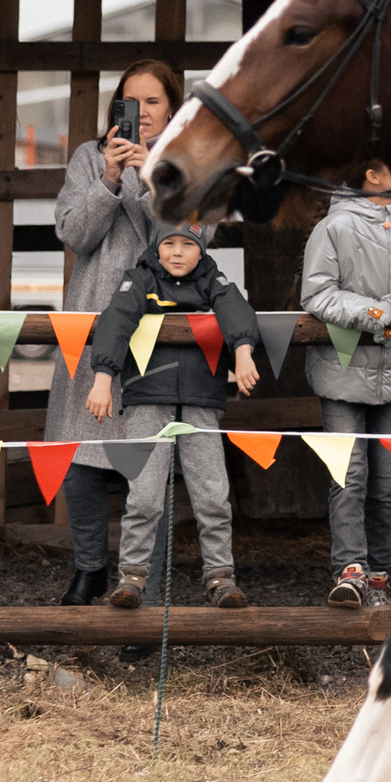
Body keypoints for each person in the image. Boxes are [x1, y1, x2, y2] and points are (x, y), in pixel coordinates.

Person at [48, 61, 183, 607]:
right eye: (133, 101)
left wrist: (152, 176)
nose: (143, 113)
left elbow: (190, 242)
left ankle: (142, 585)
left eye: (153, 102)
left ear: (173, 108)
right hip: (92, 318)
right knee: (79, 455)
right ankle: (90, 567)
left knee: (146, 465)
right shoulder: (88, 156)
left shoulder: (186, 160)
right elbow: (75, 234)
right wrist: (108, 178)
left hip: (159, 326)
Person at [83, 226, 266, 611]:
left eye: (188, 245)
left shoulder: (211, 279)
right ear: (157, 247)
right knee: (145, 496)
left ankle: (220, 577)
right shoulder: (139, 279)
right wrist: (103, 378)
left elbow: (235, 309)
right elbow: (116, 321)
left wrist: (243, 351)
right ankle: (132, 576)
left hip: (201, 401)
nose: (178, 253)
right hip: (148, 399)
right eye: (169, 243)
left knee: (213, 495)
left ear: (201, 251)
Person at [304, 162, 391, 609]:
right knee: (349, 476)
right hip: (340, 373)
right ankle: (350, 570)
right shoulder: (333, 227)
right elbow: (317, 292)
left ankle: (380, 574)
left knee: (386, 481)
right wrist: (370, 314)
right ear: (371, 174)